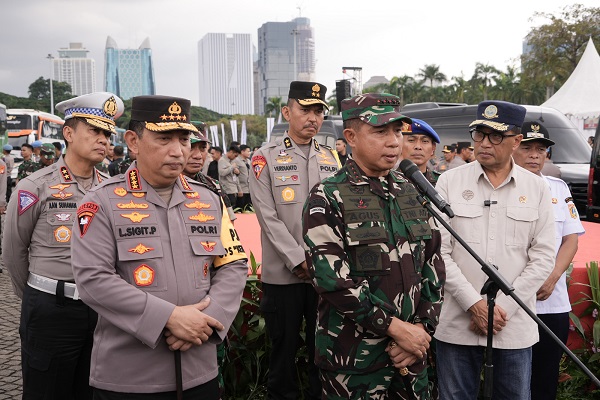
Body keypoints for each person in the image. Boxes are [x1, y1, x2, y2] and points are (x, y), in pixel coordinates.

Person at [71, 95, 248, 399]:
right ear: (133, 141)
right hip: (130, 377)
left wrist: (207, 321)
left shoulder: (207, 198)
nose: (178, 150)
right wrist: (169, 318)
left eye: (184, 139)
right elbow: (93, 279)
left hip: (199, 368)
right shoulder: (101, 202)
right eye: (164, 138)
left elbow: (233, 264)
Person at [303, 93, 445, 399]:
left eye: (397, 132)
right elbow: (332, 281)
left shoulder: (411, 189)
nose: (394, 142)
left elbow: (433, 263)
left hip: (410, 357)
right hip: (353, 361)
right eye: (381, 132)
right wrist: (395, 328)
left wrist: (421, 328)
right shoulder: (328, 196)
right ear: (351, 137)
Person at [3, 91, 123, 400]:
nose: (103, 139)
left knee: (94, 390)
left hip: (100, 310)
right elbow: (14, 252)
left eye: (107, 133)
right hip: (50, 311)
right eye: (94, 130)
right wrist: (38, 293)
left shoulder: (110, 189)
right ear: (68, 133)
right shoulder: (36, 186)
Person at [434, 100, 556, 399]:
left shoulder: (537, 188)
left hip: (512, 327)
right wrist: (474, 304)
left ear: (516, 141)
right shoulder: (449, 181)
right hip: (457, 324)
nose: (484, 143)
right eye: (479, 134)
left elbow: (543, 256)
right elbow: (438, 251)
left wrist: (503, 309)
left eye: (496, 136)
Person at [250, 80, 340, 399]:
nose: (313, 117)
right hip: (283, 277)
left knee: (323, 353)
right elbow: (266, 215)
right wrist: (299, 259)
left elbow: (337, 214)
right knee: (283, 355)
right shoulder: (265, 157)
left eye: (318, 111)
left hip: (325, 276)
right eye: (305, 110)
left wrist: (321, 261)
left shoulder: (331, 157)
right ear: (287, 112)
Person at [512, 121, 585, 400]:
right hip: (514, 298)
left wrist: (553, 277)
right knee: (511, 376)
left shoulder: (558, 187)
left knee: (546, 376)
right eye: (527, 148)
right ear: (513, 148)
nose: (534, 155)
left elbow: (571, 239)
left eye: (540, 149)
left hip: (551, 299)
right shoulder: (499, 189)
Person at [183, 132, 236, 222]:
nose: (198, 156)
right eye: (190, 147)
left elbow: (228, 224)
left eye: (203, 148)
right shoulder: (162, 186)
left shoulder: (215, 186)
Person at [400, 118, 441, 186]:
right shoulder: (388, 181)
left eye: (425, 141)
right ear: (400, 145)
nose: (418, 147)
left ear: (433, 148)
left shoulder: (441, 181)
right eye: (411, 140)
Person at [236, 144, 252, 212]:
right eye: (248, 151)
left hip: (249, 188)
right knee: (241, 209)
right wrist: (239, 189)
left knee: (249, 208)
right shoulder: (237, 160)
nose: (249, 153)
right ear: (242, 152)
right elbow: (235, 176)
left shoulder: (248, 161)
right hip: (241, 189)